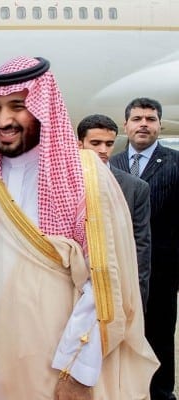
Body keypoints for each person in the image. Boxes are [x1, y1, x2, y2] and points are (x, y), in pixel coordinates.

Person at [0, 56, 158, 399]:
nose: (3, 119)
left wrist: (78, 370)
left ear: (44, 107)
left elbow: (103, 280)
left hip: (56, 359)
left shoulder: (85, 175)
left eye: (17, 105)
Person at [110, 98, 179, 400]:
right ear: (125, 125)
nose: (143, 124)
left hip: (163, 270)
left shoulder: (175, 162)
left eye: (150, 119)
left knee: (159, 335)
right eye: (137, 118)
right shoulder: (111, 163)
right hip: (116, 266)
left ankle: (160, 392)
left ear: (159, 125)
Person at [77, 114, 151, 309]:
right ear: (79, 144)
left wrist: (138, 296)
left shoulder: (135, 188)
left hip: (115, 287)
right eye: (96, 143)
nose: (103, 150)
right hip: (72, 286)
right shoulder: (62, 183)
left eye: (109, 144)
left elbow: (141, 245)